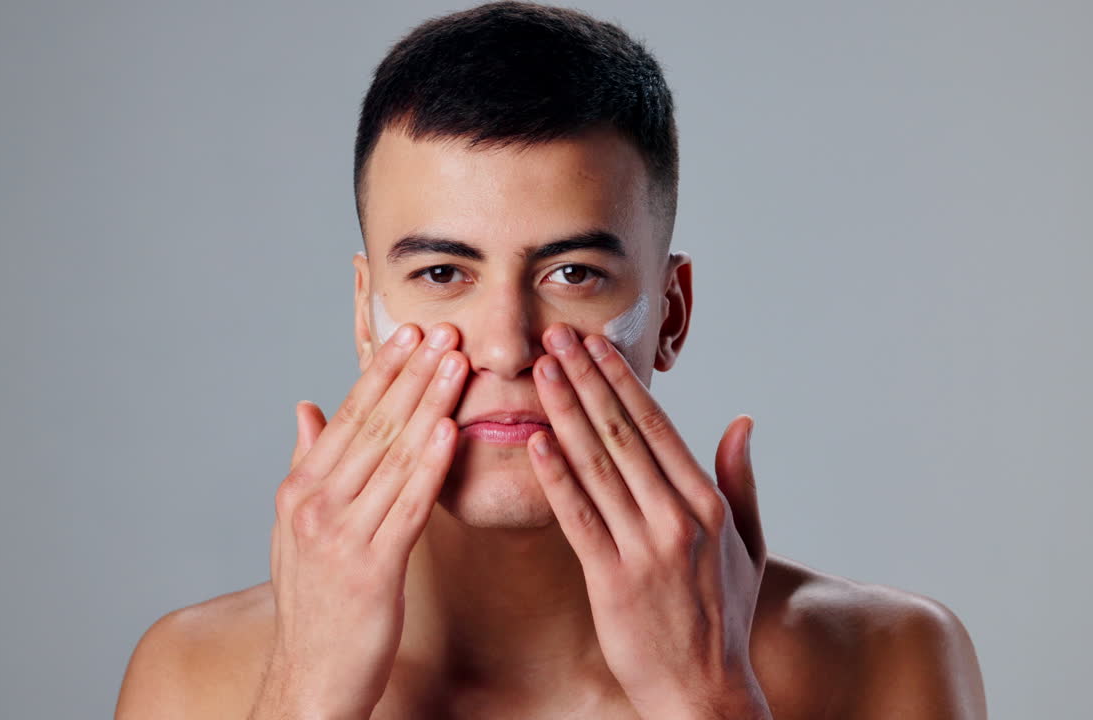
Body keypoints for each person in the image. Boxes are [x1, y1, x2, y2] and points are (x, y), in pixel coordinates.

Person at [114, 2, 986, 718]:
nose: (504, 345)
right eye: (442, 273)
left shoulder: (881, 657)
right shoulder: (197, 675)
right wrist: (306, 696)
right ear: (364, 313)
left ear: (671, 313)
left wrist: (708, 699)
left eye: (573, 274)